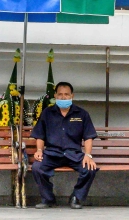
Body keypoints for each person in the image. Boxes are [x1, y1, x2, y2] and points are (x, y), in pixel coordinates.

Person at [31, 81, 98, 209]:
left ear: (72, 96)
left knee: (90, 169)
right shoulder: (47, 113)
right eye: (60, 94)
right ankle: (48, 198)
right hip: (52, 153)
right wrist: (39, 150)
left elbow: (89, 137)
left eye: (66, 94)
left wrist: (88, 155)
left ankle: (76, 197)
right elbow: (40, 135)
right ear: (55, 95)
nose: (63, 97)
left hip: (74, 154)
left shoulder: (82, 114)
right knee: (37, 167)